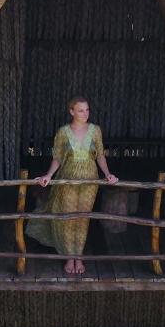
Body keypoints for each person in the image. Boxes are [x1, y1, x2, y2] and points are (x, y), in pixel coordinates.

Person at [26, 96, 118, 275]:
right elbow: (57, 158)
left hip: (90, 181)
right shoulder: (63, 132)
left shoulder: (95, 130)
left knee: (82, 219)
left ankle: (79, 256)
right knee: (68, 218)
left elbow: (100, 155)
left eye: (87, 110)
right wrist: (48, 175)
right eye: (80, 110)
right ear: (71, 111)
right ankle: (69, 257)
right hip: (67, 180)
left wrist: (108, 174)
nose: (85, 113)